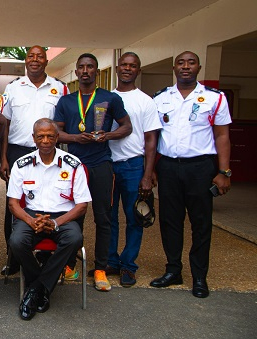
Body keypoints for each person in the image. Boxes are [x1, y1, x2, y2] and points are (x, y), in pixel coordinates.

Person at [150, 51, 231, 298]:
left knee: (201, 223)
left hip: (200, 167)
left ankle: (199, 277)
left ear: (198, 67)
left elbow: (222, 135)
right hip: (169, 167)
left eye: (191, 63)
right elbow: (152, 137)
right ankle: (173, 270)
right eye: (181, 63)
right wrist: (151, 169)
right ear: (174, 67)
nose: (186, 67)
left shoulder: (214, 98)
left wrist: (224, 171)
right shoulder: (161, 98)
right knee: (170, 221)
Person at [54, 53, 132, 292]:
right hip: (73, 166)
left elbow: (127, 126)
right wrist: (77, 137)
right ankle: (69, 265)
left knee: (103, 217)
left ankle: (100, 268)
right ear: (76, 72)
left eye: (90, 67)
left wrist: (106, 136)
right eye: (81, 67)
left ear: (96, 71)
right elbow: (56, 133)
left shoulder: (110, 98)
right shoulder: (66, 102)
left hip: (100, 165)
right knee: (73, 216)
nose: (85, 71)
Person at [7, 118, 90, 320]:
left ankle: (34, 289)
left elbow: (82, 205)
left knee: (74, 239)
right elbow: (13, 203)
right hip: (32, 215)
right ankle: (42, 286)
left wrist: (55, 223)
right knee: (16, 241)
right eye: (41, 136)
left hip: (62, 218)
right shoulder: (22, 164)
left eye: (50, 136)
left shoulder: (73, 164)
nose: (45, 140)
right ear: (33, 138)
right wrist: (30, 221)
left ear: (58, 138)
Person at [0, 45, 69, 275]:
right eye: (31, 56)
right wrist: (4, 158)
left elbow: (64, 124)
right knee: (15, 206)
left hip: (49, 153)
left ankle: (46, 255)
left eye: (40, 56)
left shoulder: (60, 88)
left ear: (46, 61)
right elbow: (5, 125)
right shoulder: (13, 88)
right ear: (26, 61)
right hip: (19, 152)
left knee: (48, 202)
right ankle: (15, 258)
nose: (35, 60)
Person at [108, 52, 162, 287]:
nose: (127, 69)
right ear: (117, 68)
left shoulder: (146, 101)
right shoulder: (106, 98)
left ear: (138, 71)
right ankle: (109, 261)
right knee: (108, 217)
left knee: (135, 217)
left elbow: (151, 140)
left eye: (133, 66)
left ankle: (128, 265)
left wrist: (148, 174)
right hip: (108, 164)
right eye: (124, 65)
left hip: (133, 165)